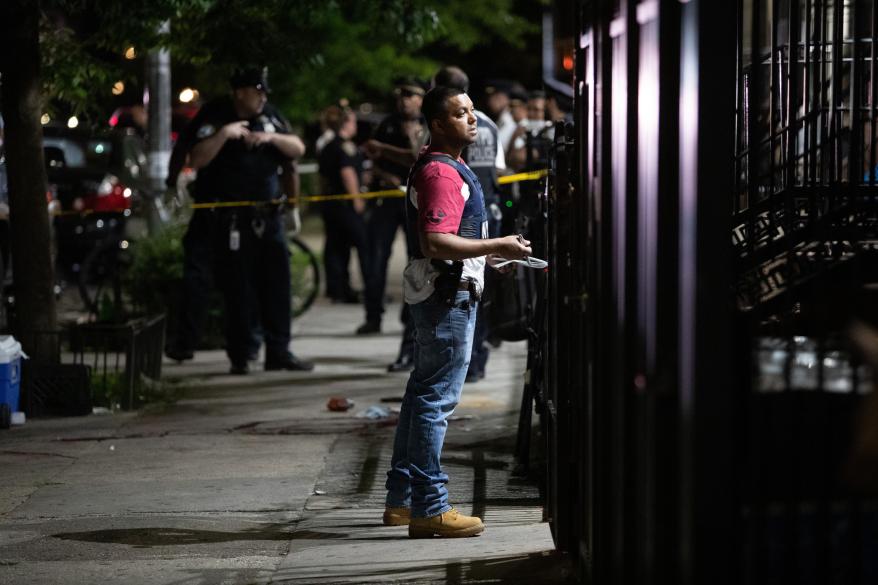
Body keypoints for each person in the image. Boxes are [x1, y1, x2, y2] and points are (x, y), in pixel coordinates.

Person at [382, 85, 531, 538]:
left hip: (444, 295)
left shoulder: (446, 165)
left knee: (421, 396)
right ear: (437, 122)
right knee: (434, 402)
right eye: (460, 113)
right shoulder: (443, 173)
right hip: (448, 301)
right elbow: (436, 242)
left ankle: (402, 500)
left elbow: (449, 238)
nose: (471, 119)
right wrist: (497, 245)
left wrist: (488, 257)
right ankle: (430, 507)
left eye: (472, 110)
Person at [186, 66, 313, 375]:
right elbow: (197, 159)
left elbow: (297, 149)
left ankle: (278, 351)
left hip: (268, 216)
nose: (263, 97)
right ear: (240, 92)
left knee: (277, 287)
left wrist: (271, 138)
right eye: (258, 91)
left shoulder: (270, 114)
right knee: (239, 290)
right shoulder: (215, 115)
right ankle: (241, 355)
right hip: (232, 221)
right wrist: (224, 134)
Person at [356, 79, 426, 339]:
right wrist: (382, 174)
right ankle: (372, 316)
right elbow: (369, 156)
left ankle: (410, 317)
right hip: (386, 199)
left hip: (414, 200)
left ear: (421, 99)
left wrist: (391, 147)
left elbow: (416, 157)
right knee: (376, 258)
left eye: (411, 95)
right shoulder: (386, 124)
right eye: (402, 95)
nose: (404, 100)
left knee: (415, 260)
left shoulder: (428, 125)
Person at [317, 105, 368, 304]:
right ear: (346, 123)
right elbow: (347, 173)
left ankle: (339, 290)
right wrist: (357, 199)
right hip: (345, 205)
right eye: (353, 121)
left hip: (330, 205)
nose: (355, 125)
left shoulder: (327, 146)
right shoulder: (344, 146)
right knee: (364, 244)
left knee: (337, 247)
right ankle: (372, 288)